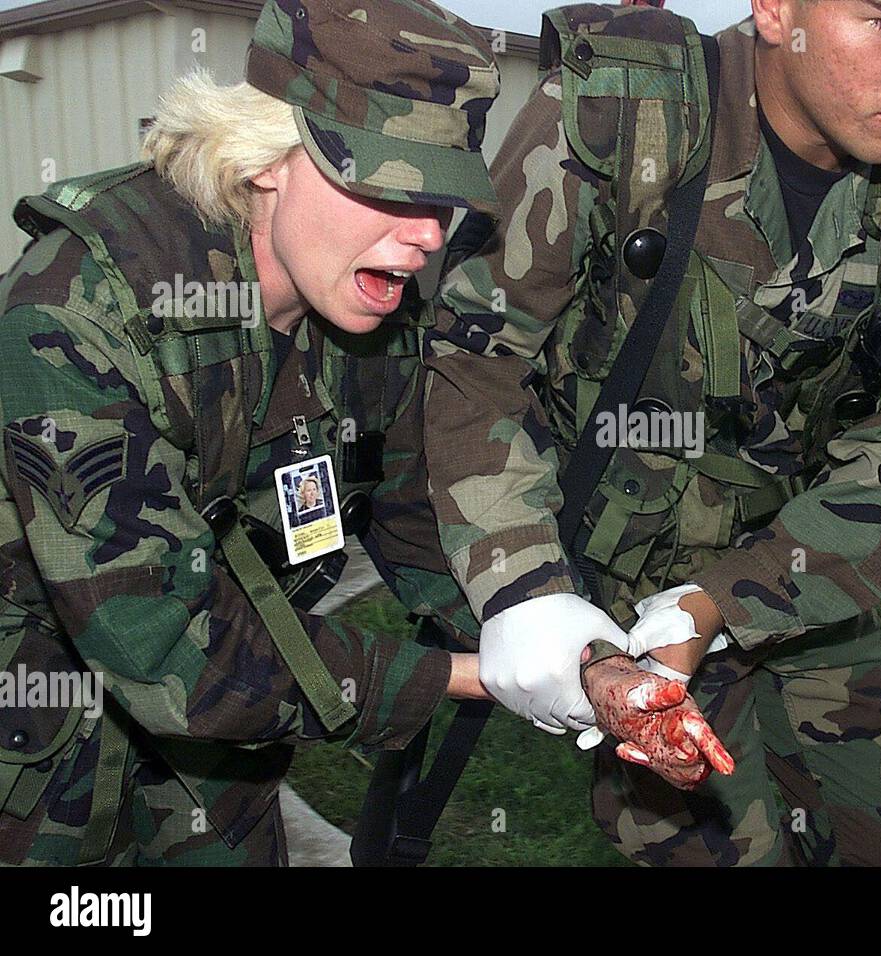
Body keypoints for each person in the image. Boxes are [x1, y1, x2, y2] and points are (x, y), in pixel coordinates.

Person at [0, 0, 723, 867]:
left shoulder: (372, 310)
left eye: (447, 198)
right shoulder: (75, 310)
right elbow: (166, 649)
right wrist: (472, 676)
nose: (426, 238)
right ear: (268, 158)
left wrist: (580, 654)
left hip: (219, 768)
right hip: (36, 760)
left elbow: (410, 517)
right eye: (388, 187)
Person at [424, 0, 881, 865]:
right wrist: (526, 594)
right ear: (776, 9)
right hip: (614, 588)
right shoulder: (616, 113)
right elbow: (477, 362)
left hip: (808, 571)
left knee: (880, 844)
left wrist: (718, 602)